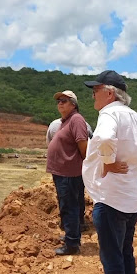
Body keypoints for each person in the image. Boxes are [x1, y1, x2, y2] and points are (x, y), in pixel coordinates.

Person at [82, 70, 137, 274]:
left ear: (109, 93)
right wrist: (134, 162)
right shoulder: (132, 115)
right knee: (125, 255)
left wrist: (109, 163)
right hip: (130, 197)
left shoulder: (109, 113)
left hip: (110, 198)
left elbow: (103, 138)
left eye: (95, 90)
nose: (93, 95)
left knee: (112, 257)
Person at [46, 90, 89, 255]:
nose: (60, 103)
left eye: (64, 100)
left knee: (69, 207)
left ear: (73, 104)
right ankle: (72, 236)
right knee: (68, 206)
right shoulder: (66, 120)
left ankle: (72, 245)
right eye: (58, 101)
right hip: (62, 172)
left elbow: (83, 147)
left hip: (68, 173)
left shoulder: (76, 119)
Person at [47, 117, 94, 231]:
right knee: (77, 196)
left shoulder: (54, 125)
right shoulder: (85, 125)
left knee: (64, 197)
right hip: (78, 168)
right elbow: (89, 146)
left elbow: (50, 143)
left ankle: (68, 226)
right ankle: (77, 224)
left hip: (61, 168)